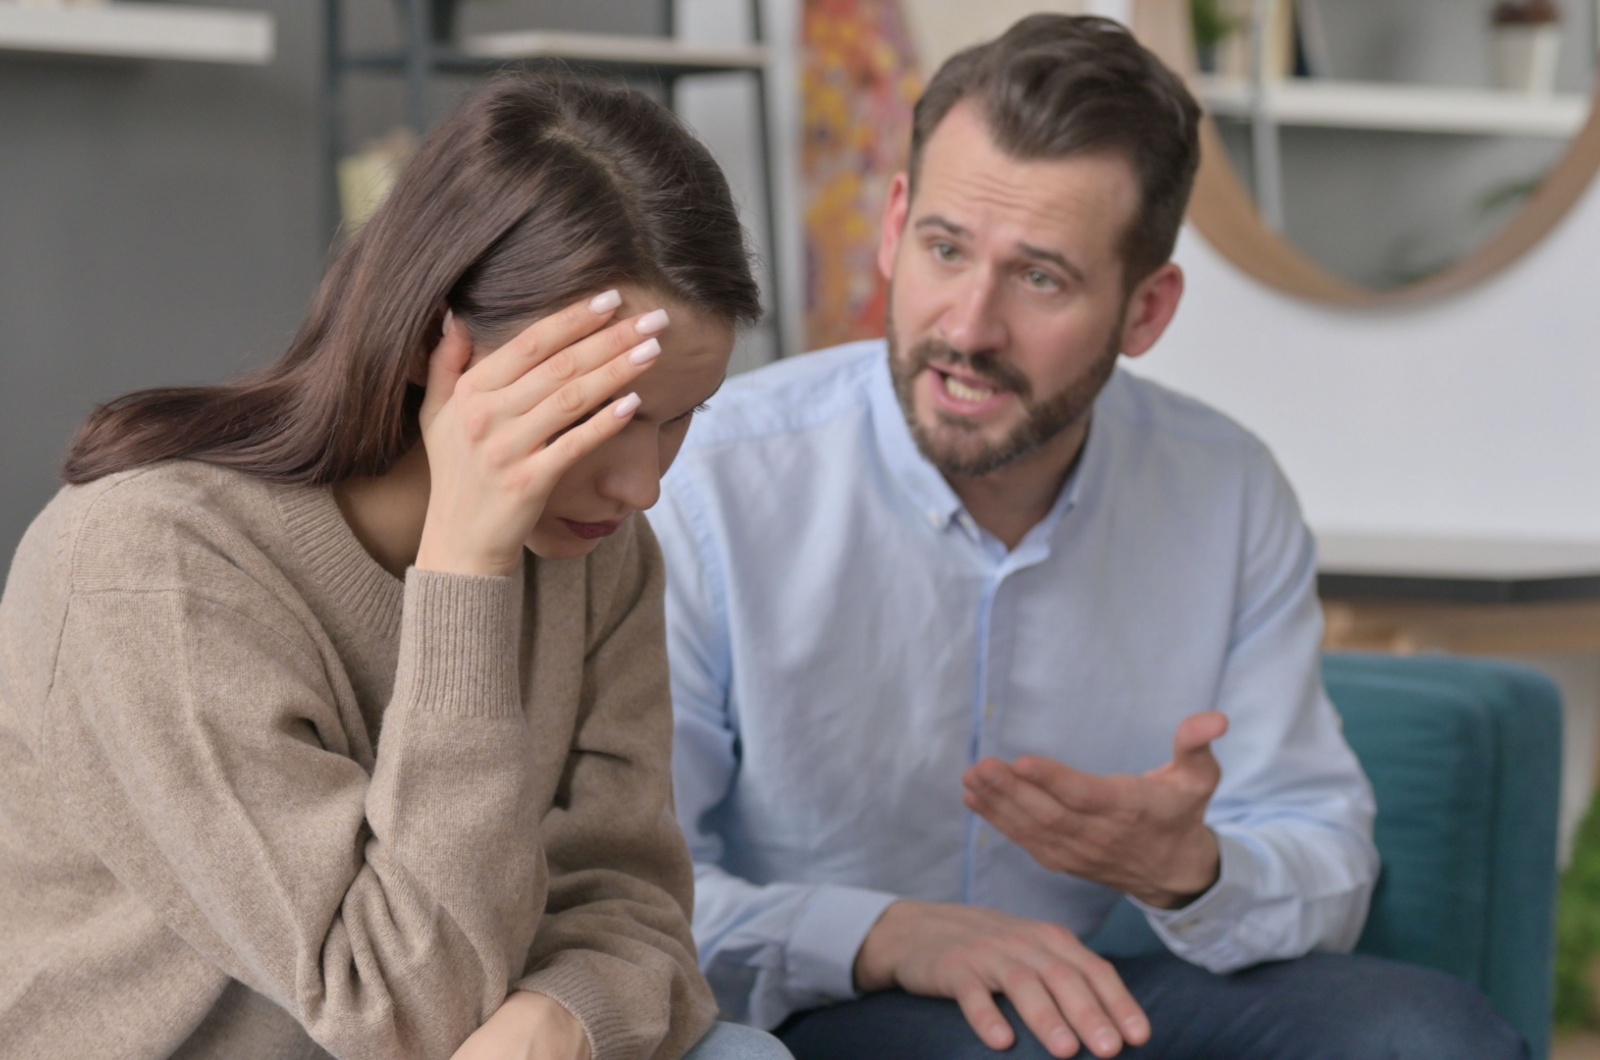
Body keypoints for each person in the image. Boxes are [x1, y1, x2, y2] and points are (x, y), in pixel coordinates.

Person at [650, 15, 1526, 1060]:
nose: (967, 326)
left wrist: (1189, 867)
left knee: (1429, 1036)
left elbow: (1321, 853)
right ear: (893, 229)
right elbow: (633, 896)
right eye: (943, 249)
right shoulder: (712, 480)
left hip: (1099, 986)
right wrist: (888, 932)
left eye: (1041, 278)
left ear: (1145, 310)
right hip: (824, 998)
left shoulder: (1226, 492)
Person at [0, 75, 792, 1060]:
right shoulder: (147, 565)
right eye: (601, 416)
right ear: (436, 344)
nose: (642, 486)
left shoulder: (599, 554)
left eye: (681, 421)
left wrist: (568, 1019)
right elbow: (396, 1008)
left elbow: (633, 901)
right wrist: (465, 571)